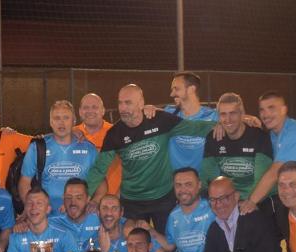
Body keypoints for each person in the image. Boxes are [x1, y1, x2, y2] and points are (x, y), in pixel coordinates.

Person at [86, 84, 213, 232]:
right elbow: (98, 169)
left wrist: (227, 125)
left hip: (163, 197)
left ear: (141, 103)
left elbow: (195, 128)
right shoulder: (114, 134)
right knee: (134, 243)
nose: (122, 108)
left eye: (128, 103)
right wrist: (85, 196)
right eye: (120, 103)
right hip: (132, 201)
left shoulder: (160, 120)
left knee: (167, 241)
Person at [18, 100, 97, 211]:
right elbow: (25, 182)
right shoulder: (37, 148)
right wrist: (32, 209)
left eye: (66, 118)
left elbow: (101, 182)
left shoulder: (89, 149)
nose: (61, 123)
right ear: (51, 122)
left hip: (79, 215)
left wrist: (95, 202)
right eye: (57, 118)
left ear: (74, 121)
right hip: (47, 217)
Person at [200, 93, 273, 200]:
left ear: (242, 114)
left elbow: (261, 181)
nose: (228, 119)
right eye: (223, 114)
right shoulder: (213, 138)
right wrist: (220, 201)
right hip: (226, 200)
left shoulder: (259, 137)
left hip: (255, 200)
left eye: (232, 113)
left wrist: (248, 202)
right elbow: (209, 179)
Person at [162, 167, 218, 252]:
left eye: (188, 184)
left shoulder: (212, 208)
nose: (183, 190)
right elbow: (170, 246)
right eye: (178, 185)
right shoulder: (173, 216)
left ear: (199, 185)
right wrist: (150, 230)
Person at [164, 72, 219, 171]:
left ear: (191, 89)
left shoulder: (213, 116)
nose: (171, 94)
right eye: (172, 89)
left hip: (203, 179)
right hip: (176, 179)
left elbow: (233, 121)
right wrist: (149, 108)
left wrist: (245, 118)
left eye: (176, 89)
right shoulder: (169, 113)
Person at [75, 93, 122, 196]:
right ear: (80, 111)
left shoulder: (116, 133)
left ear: (103, 111)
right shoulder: (71, 134)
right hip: (81, 199)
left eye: (94, 107)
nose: (90, 111)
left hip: (111, 200)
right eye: (86, 107)